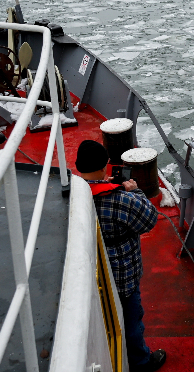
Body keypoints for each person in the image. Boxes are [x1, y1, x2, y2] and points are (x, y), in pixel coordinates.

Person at [76, 140, 166, 372]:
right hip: (122, 276)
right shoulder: (121, 200)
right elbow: (149, 219)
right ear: (105, 165)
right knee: (131, 321)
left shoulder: (74, 195)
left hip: (88, 275)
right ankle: (140, 363)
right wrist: (135, 191)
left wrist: (101, 183)